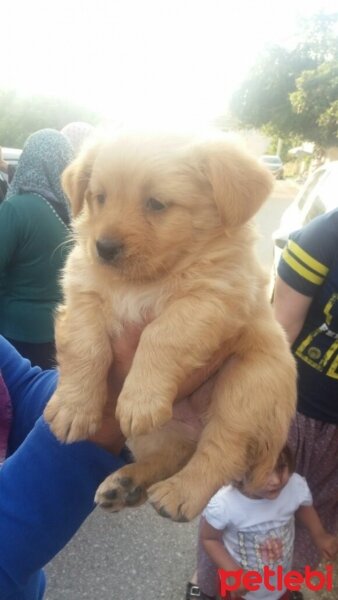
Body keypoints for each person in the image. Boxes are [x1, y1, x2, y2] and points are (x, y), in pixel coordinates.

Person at [274, 208, 338, 573]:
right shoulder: (326, 235)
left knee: (319, 518)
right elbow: (278, 333)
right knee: (252, 502)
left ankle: (283, 583)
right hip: (292, 409)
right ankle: (213, 583)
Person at [198, 446, 338, 600]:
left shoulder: (293, 486)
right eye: (264, 472)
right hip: (242, 590)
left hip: (280, 581)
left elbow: (302, 506)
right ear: (237, 471)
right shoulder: (224, 505)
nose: (276, 480)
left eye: (281, 467)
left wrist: (319, 534)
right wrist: (232, 571)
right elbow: (209, 539)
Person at [0, 129, 74, 369]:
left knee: (16, 400)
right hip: (62, 330)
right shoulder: (79, 214)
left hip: (15, 335)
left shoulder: (16, 209)